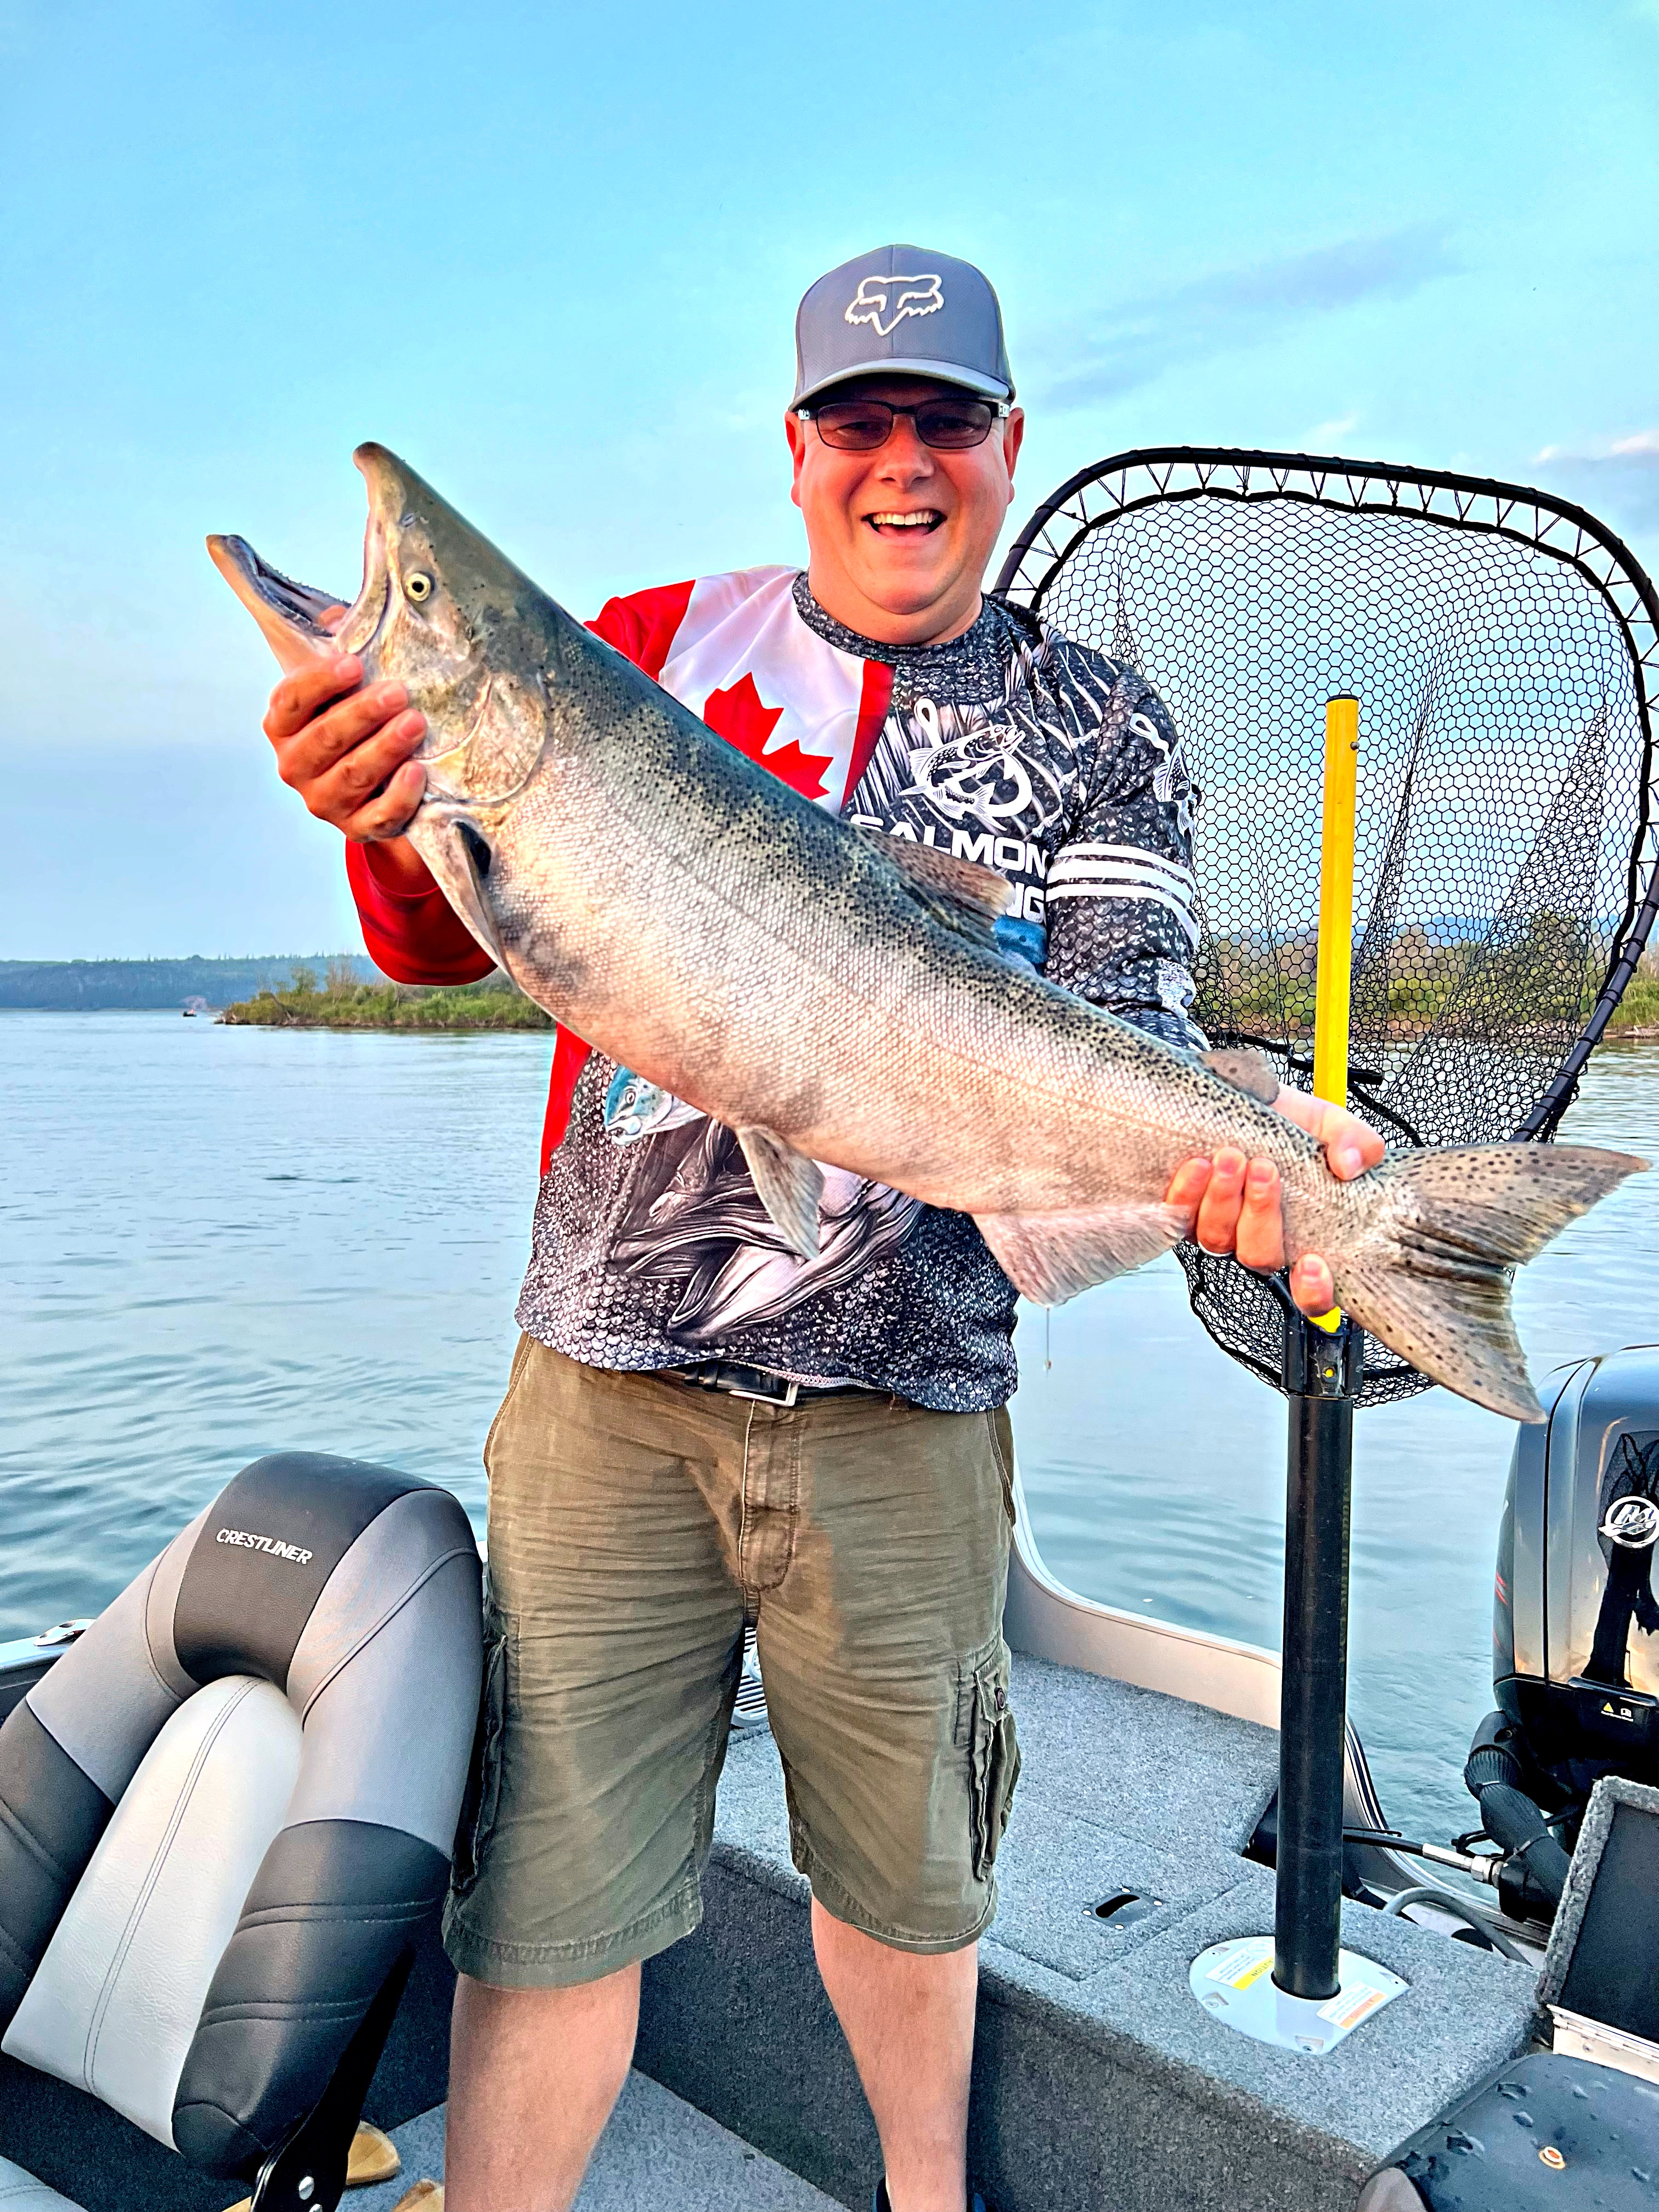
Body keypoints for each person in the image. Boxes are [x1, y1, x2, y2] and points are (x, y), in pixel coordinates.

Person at [261, 246, 1383, 2212]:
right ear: (796, 450)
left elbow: (1134, 1025)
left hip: (907, 1412)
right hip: (609, 1396)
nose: (903, 462)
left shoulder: (1099, 721)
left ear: (1008, 444)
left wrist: (1243, 1158)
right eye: (859, 423)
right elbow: (455, 937)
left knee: (908, 1890)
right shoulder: (646, 646)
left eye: (944, 421)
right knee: (547, 1899)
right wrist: (381, 815)